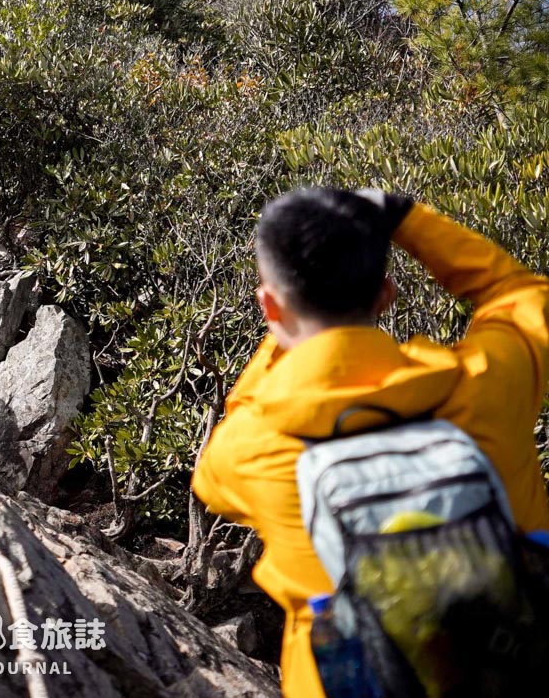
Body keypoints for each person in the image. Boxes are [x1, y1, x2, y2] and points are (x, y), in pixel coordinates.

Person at [191, 187, 549, 698]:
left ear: (269, 304)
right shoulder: (486, 385)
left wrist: (288, 327)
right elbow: (519, 292)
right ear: (386, 294)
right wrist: (405, 216)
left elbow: (218, 460)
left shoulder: (250, 447)